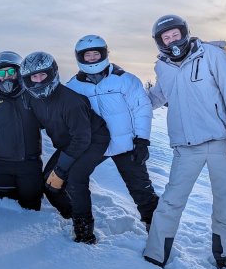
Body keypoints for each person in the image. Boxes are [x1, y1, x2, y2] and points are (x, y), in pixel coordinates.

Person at [142, 15, 226, 269]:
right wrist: (128, 103)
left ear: (185, 33)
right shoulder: (163, 67)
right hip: (185, 148)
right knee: (170, 202)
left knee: (225, 202)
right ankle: (154, 256)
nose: (171, 40)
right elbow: (157, 96)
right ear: (159, 42)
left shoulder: (211, 55)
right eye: (165, 38)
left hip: (220, 143)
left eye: (174, 34)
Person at [66, 35, 159, 231]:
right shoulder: (73, 86)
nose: (92, 58)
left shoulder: (125, 80)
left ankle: (157, 229)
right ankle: (82, 226)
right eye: (87, 55)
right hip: (94, 145)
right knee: (75, 178)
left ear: (104, 54)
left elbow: (142, 109)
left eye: (96, 53)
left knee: (140, 188)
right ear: (80, 57)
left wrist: (142, 140)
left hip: (126, 144)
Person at [20, 51, 110, 244]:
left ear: (52, 74)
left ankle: (85, 233)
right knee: (49, 182)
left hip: (94, 140)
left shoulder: (70, 102)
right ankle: (70, 214)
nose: (38, 81)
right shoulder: (35, 100)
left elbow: (82, 138)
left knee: (74, 178)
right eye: (33, 77)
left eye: (42, 75)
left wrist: (61, 170)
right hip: (71, 144)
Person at [0, 51, 43, 211]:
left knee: (31, 212)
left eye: (11, 71)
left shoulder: (32, 96)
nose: (7, 76)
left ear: (19, 72)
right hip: (0, 166)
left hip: (30, 165)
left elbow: (52, 124)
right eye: (2, 73)